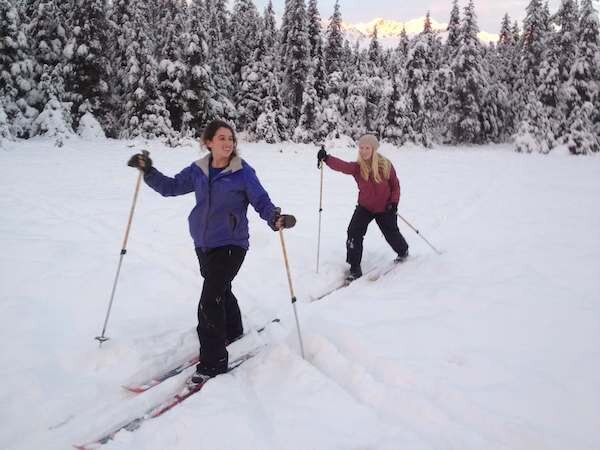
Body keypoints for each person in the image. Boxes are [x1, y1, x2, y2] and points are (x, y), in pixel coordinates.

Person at [128, 120, 295, 384]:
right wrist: (148, 171)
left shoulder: (242, 172)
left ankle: (214, 361)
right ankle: (234, 328)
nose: (228, 143)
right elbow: (171, 187)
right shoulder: (199, 170)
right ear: (208, 142)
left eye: (230, 139)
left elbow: (260, 200)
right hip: (204, 244)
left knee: (210, 299)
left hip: (232, 243)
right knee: (220, 288)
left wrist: (274, 217)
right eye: (222, 138)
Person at [317, 134, 408, 281]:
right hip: (365, 207)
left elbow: (395, 186)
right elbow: (343, 166)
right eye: (361, 148)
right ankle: (354, 267)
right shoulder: (358, 168)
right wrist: (327, 158)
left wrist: (394, 202)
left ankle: (403, 251)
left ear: (374, 149)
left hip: (385, 208)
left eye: (367, 148)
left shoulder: (386, 165)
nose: (364, 151)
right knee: (353, 232)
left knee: (391, 233)